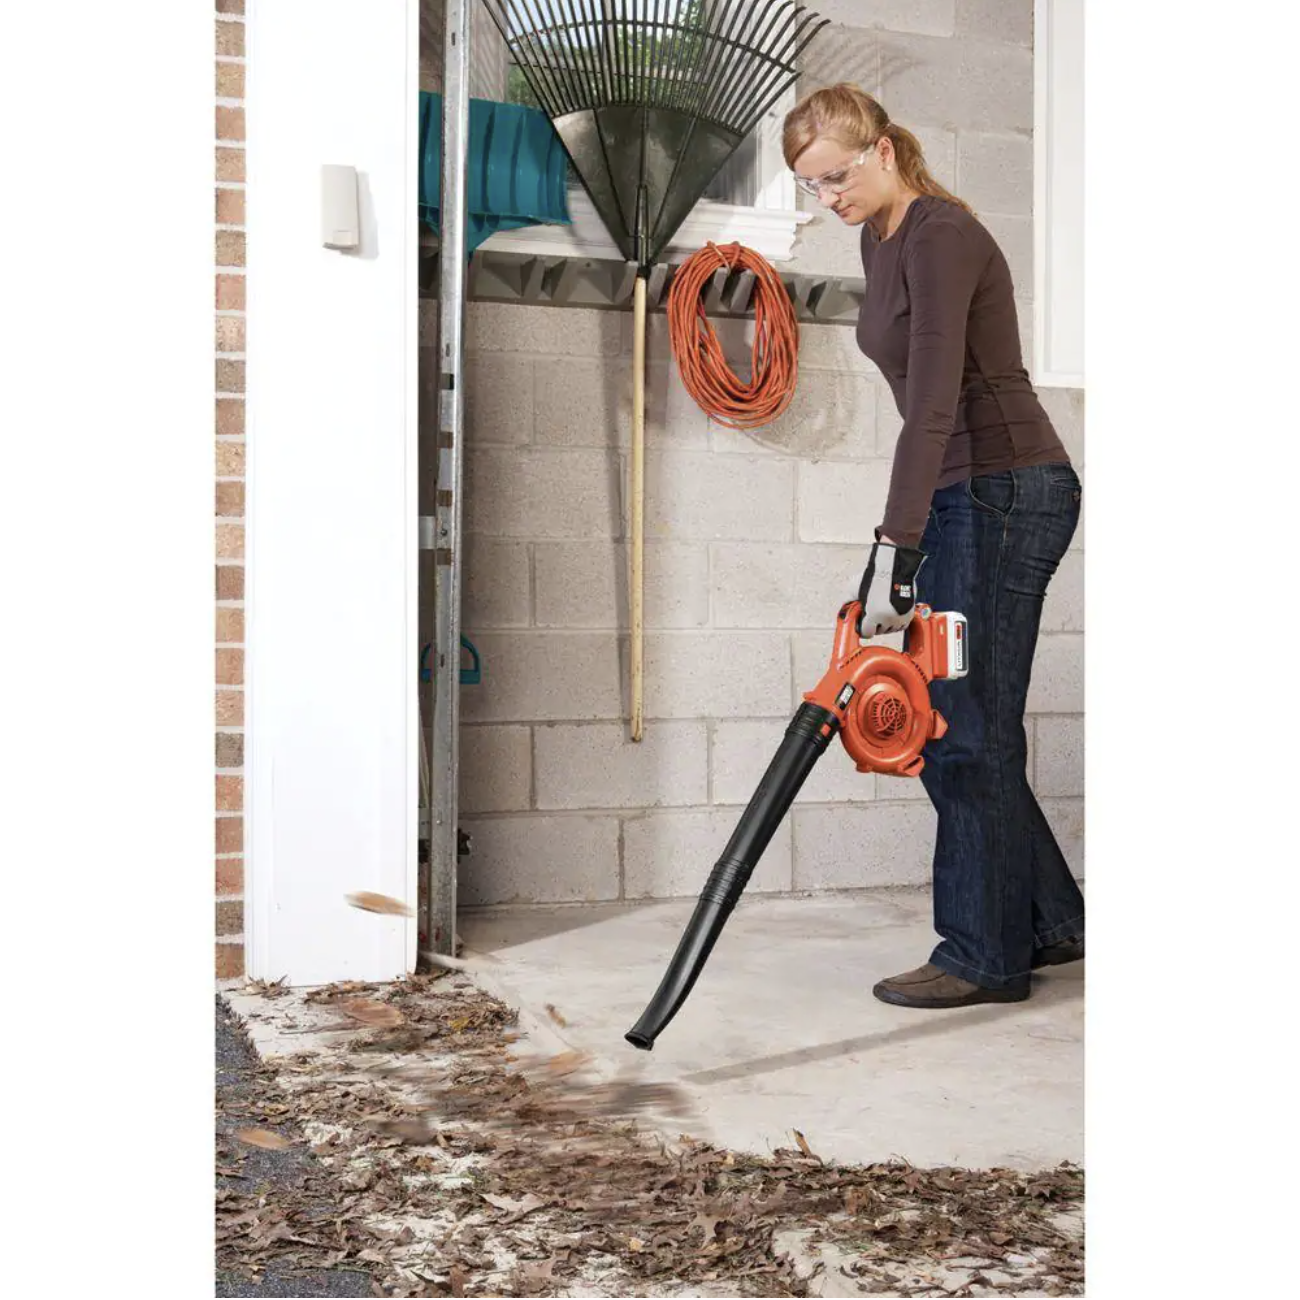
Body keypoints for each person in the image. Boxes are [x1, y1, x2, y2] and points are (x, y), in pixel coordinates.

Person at [782, 84, 1085, 1009]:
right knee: (967, 722)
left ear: (881, 150)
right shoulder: (878, 238)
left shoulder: (940, 234)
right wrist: (905, 537)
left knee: (961, 730)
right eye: (810, 187)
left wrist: (895, 542)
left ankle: (982, 956)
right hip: (963, 496)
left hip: (1005, 492)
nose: (828, 198)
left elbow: (935, 407)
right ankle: (1050, 922)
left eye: (837, 177)